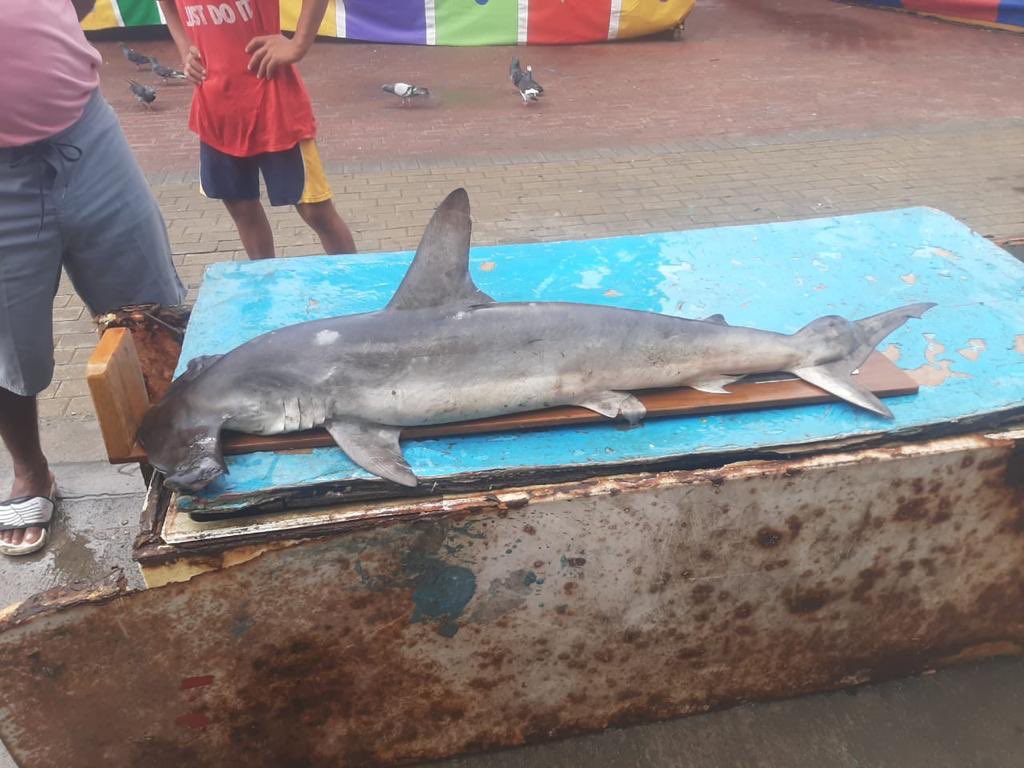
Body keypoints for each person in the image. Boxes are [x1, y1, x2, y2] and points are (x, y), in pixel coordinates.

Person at [0, 1, 185, 556]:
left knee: (151, 311)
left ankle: (172, 459)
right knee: (8, 337)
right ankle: (31, 471)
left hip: (86, 130)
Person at [159, 0, 356, 260]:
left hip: (274, 106)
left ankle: (359, 293)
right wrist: (185, 49)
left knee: (315, 211)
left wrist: (298, 44)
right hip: (215, 109)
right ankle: (266, 289)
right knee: (241, 208)